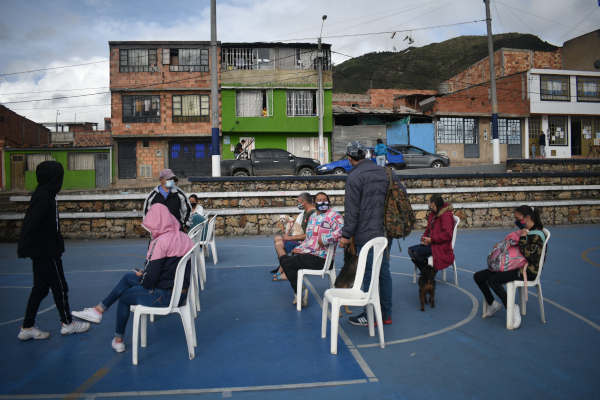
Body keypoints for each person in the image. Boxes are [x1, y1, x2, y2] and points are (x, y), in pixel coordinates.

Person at [71, 204, 194, 352]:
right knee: (129, 276)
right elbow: (169, 269)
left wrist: (143, 276)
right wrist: (145, 275)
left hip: (164, 295)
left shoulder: (160, 242)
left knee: (124, 298)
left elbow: (150, 280)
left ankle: (118, 340)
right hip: (181, 293)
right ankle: (98, 310)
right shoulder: (184, 238)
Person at [17, 161, 90, 340]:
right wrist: (25, 246)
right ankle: (68, 324)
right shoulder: (43, 195)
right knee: (60, 286)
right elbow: (30, 222)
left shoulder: (47, 194)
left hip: (44, 250)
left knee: (40, 288)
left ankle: (27, 327)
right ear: (53, 177)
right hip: (45, 251)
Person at [338, 140, 405, 326]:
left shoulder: (354, 177)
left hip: (366, 235)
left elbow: (352, 212)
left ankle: (369, 315)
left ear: (350, 158)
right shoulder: (386, 172)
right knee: (383, 271)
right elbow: (401, 196)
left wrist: (345, 235)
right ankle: (386, 314)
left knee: (368, 273)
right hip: (385, 232)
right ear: (366, 155)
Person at [473, 205, 546, 329]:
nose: (517, 221)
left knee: (493, 281)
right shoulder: (525, 230)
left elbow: (531, 257)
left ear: (527, 218)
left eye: (518, 218)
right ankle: (492, 303)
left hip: (528, 270)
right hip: (514, 265)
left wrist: (522, 238)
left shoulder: (537, 235)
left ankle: (512, 308)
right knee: (479, 276)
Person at [277, 192, 344, 307]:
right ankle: (299, 290)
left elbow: (343, 230)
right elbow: (308, 239)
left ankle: (299, 292)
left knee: (286, 262)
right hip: (309, 254)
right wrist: (299, 248)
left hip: (321, 258)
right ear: (315, 203)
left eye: (324, 199)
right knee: (286, 260)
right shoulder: (313, 217)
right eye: (319, 200)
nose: (322, 202)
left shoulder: (333, 215)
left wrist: (326, 239)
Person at [272, 192, 317, 281]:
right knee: (277, 238)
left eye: (298, 201)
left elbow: (309, 235)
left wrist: (290, 238)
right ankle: (283, 266)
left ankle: (287, 271)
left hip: (306, 243)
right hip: (302, 239)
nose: (298, 203)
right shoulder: (305, 213)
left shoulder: (312, 214)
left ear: (304, 202)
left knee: (279, 244)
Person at [408, 194, 455, 275]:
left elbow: (447, 234)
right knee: (411, 251)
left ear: (433, 204)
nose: (429, 205)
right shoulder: (434, 214)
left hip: (441, 245)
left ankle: (428, 274)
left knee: (417, 253)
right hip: (433, 243)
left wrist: (431, 240)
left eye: (429, 203)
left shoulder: (445, 215)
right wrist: (424, 239)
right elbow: (428, 230)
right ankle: (428, 272)